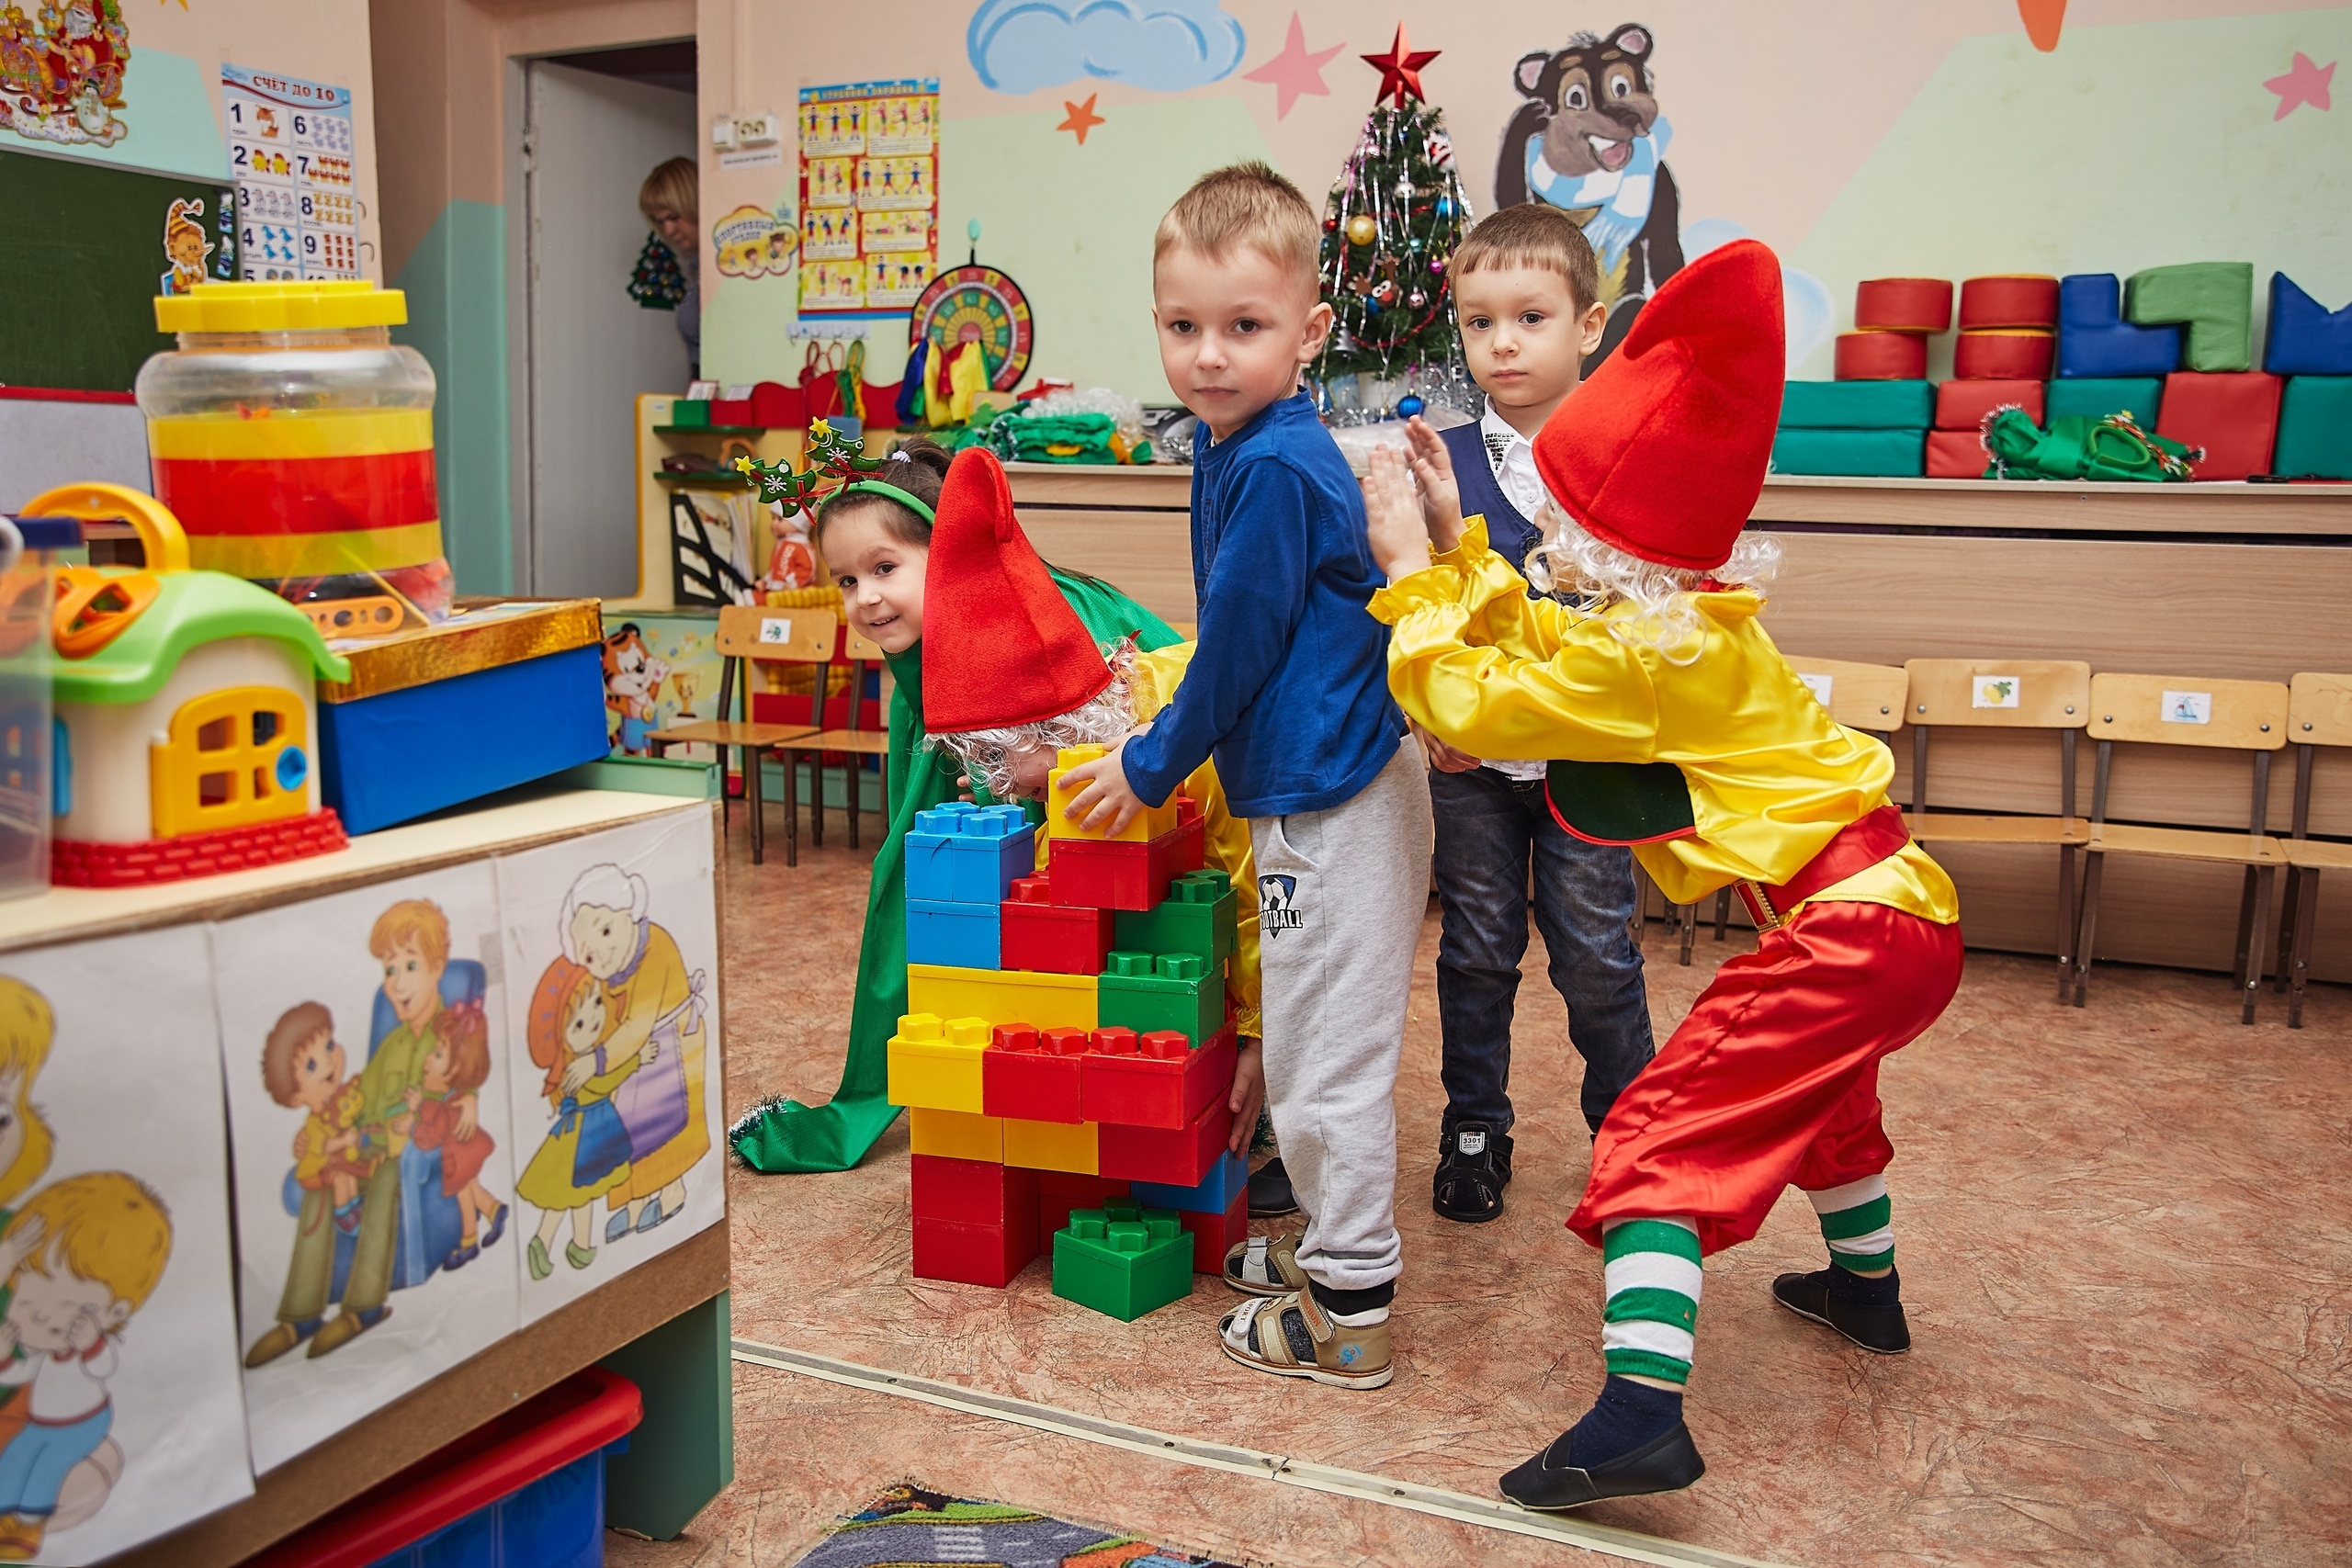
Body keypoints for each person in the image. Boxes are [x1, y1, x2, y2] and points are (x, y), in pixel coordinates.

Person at [1360, 239, 1962, 1506]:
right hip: (1903, 915)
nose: (1551, 540)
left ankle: (1640, 1412)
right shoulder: (1687, 618)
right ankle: (1869, 1291)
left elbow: (1476, 694)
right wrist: (1465, 548)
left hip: (1844, 929)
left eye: (1561, 520)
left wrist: (1414, 581)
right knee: (1831, 1107)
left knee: (1657, 1133)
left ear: (1600, 532)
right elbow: (1548, 635)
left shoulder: (1640, 656)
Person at [1056, 164, 1431, 1391]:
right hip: (1311, 785)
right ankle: (1335, 1253)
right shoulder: (1238, 442)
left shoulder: (1272, 462)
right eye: (1183, 326)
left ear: (1308, 331)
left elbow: (1241, 637)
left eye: (1245, 326)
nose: (1209, 355)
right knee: (1322, 1036)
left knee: (1328, 1063)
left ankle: (1352, 1308)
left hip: (1333, 796)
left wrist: (1152, 763)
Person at [728, 434, 1181, 1174]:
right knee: (934, 879)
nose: (864, 598)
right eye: (844, 581)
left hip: (1141, 784)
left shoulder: (1028, 621)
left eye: (883, 568)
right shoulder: (919, 644)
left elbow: (1120, 736)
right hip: (1029, 766)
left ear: (951, 553)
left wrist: (1024, 775)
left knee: (1087, 912)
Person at [916, 445, 1264, 1154]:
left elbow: (1255, 896)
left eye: (1003, 759)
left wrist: (1257, 1039)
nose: (1004, 785)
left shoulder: (1187, 743)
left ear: (1060, 724)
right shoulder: (1083, 751)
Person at [1420, 204, 1657, 1224]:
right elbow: (1415, 601)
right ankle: (1473, 1128)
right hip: (1470, 765)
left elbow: (1666, 613)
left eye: (1529, 317)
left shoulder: (1630, 453)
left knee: (1595, 958)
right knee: (1474, 949)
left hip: (1589, 766)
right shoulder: (1443, 462)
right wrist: (1426, 710)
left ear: (1588, 325)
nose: (1501, 342)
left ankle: (1634, 1142)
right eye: (1478, 322)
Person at [0, 1172, 172, 1562]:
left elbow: (102, 1365)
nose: (41, 1316)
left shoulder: (88, 1347)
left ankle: (27, 1527)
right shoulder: (42, 1350)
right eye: (26, 1301)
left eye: (65, 1306)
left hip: (80, 1423)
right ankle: (8, 1517)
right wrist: (6, 1357)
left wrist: (90, 1342)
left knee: (45, 1469)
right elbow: (21, 1375)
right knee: (17, 1460)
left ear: (115, 1312)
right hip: (40, 1419)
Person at [639, 156, 700, 378]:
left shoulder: (720, 269)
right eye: (660, 221)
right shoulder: (696, 268)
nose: (669, 230)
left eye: (674, 217)